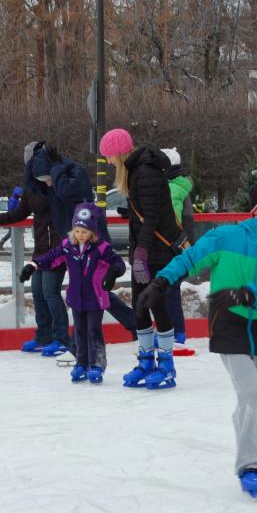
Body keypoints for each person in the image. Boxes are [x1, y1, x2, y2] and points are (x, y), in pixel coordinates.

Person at [136, 181, 257, 498]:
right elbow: (190, 258)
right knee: (251, 395)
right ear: (256, 208)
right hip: (230, 326)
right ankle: (250, 465)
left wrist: (247, 294)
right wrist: (161, 281)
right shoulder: (227, 236)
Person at [99, 128, 183, 390]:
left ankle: (166, 364)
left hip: (157, 252)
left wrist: (141, 253)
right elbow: (146, 211)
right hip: (146, 250)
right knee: (139, 305)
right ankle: (146, 360)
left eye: (109, 157)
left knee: (156, 304)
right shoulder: (137, 172)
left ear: (120, 153)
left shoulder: (145, 172)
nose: (109, 162)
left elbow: (154, 217)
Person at [20, 203, 126, 384]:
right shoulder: (68, 246)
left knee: (93, 331)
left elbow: (118, 263)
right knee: (79, 331)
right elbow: (50, 257)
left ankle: (97, 365)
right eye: (77, 231)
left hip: (95, 297)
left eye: (84, 232)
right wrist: (33, 265)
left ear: (92, 232)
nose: (80, 235)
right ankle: (81, 363)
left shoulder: (101, 248)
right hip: (76, 297)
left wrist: (113, 272)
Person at [0, 162, 68, 356]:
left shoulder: (57, 185)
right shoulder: (31, 187)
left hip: (58, 248)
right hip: (41, 248)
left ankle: (61, 338)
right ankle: (44, 337)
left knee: (50, 292)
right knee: (37, 291)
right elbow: (18, 213)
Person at [161, 147, 195, 344]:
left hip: (173, 247)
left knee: (169, 289)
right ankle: (175, 331)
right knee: (169, 289)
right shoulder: (179, 185)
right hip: (181, 246)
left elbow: (168, 221)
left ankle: (176, 332)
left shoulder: (172, 189)